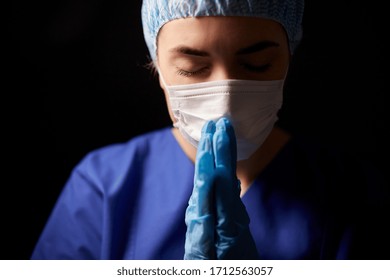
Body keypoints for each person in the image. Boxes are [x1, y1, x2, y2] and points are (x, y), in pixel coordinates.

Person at [31, 0, 389, 260]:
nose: (226, 98)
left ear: (289, 58)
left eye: (257, 65)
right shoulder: (103, 187)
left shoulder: (350, 190)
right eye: (191, 68)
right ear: (157, 67)